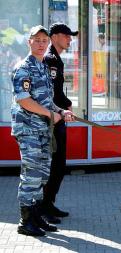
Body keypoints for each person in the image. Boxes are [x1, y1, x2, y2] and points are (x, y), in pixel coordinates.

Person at [11, 25, 74, 236]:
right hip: (28, 130)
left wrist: (61, 111)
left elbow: (47, 101)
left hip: (42, 131)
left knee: (42, 176)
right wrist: (50, 115)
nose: (40, 44)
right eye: (36, 40)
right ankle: (25, 221)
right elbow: (24, 100)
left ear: (48, 43)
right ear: (29, 42)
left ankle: (36, 216)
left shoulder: (42, 67)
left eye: (43, 40)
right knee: (31, 175)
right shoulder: (24, 68)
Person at [41, 23, 78, 223]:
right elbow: (50, 93)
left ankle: (49, 203)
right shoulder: (50, 60)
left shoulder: (56, 59)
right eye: (66, 36)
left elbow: (58, 92)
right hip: (51, 120)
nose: (70, 39)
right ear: (54, 36)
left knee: (59, 164)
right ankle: (43, 206)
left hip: (58, 117)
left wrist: (67, 104)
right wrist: (63, 107)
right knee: (53, 165)